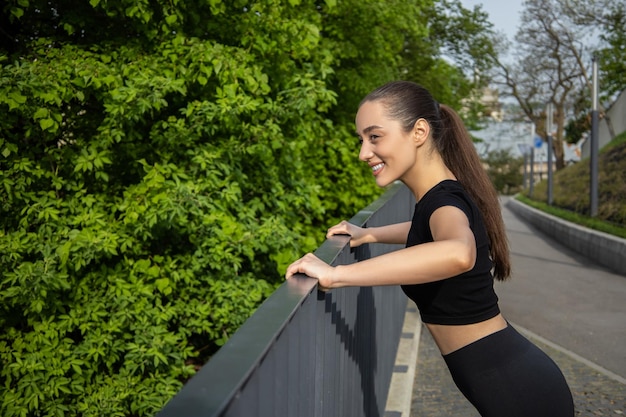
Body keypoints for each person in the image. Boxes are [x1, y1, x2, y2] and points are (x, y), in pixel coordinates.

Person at [285, 81, 574, 417]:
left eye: (374, 137)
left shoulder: (444, 200)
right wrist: (370, 234)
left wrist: (336, 275)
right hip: (511, 378)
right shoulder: (438, 198)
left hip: (520, 392)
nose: (363, 152)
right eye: (361, 140)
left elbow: (457, 252)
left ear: (419, 131)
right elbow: (425, 231)